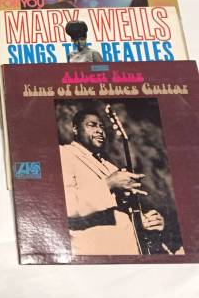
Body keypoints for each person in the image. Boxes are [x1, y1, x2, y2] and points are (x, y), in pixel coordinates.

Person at [59, 109, 165, 255]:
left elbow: (123, 214)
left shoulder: (111, 168)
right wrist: (108, 184)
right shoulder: (64, 154)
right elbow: (67, 205)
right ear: (75, 129)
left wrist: (147, 221)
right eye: (92, 125)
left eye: (102, 126)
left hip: (128, 252)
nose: (99, 131)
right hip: (93, 253)